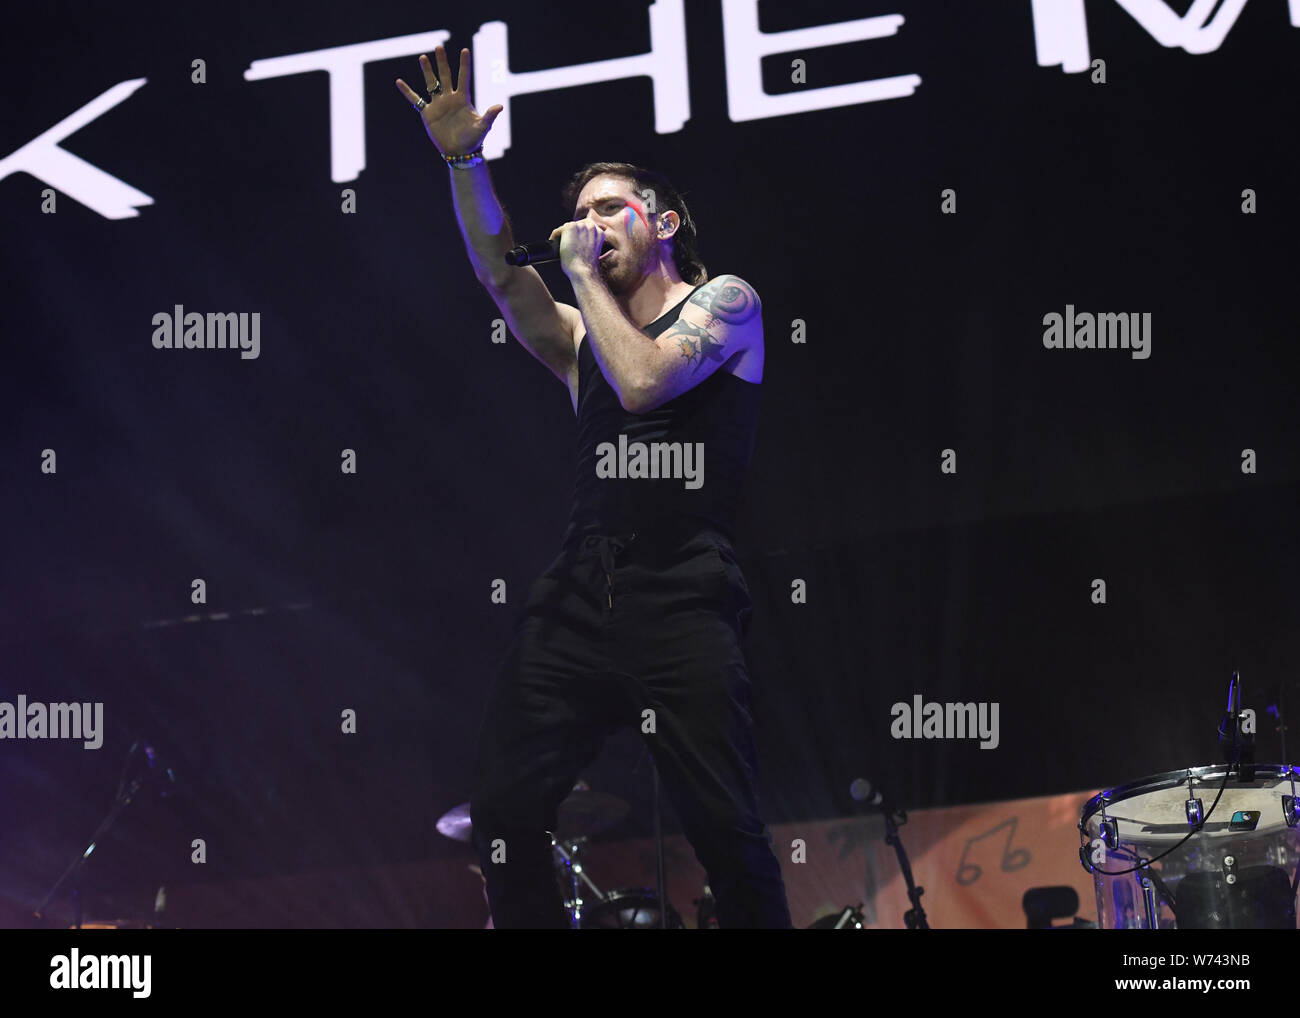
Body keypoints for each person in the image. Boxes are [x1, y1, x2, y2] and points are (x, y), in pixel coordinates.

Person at [397, 45, 792, 929]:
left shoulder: (727, 303)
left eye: (609, 209)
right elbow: (500, 273)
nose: (588, 224)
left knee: (724, 829)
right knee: (503, 814)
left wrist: (577, 271)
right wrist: (465, 162)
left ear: (666, 222)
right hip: (578, 591)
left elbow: (647, 380)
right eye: (578, 214)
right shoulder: (581, 337)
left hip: (683, 589)